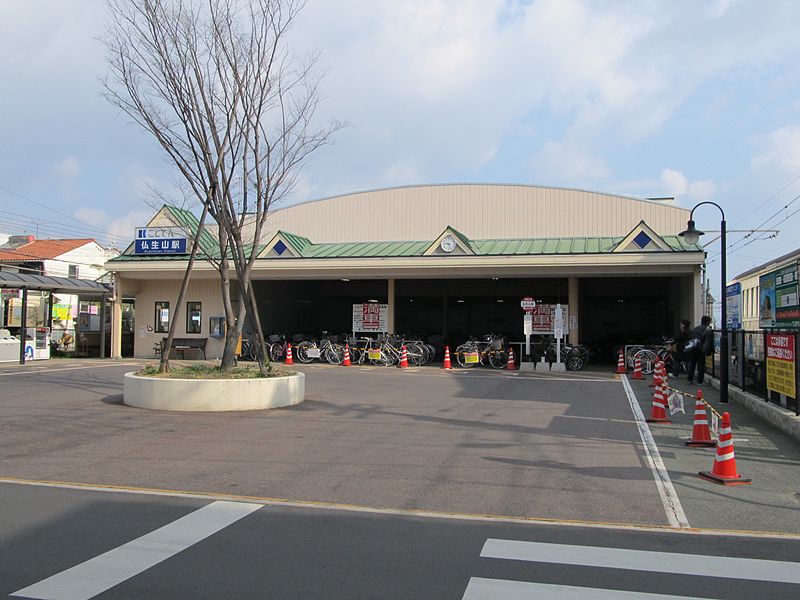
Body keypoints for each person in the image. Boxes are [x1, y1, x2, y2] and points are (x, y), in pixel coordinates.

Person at [686, 315, 713, 385]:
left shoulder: (695, 329)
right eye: (709, 322)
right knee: (701, 365)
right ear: (707, 322)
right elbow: (708, 341)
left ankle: (689, 379)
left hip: (693, 347)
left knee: (692, 364)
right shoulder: (707, 330)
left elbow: (690, 337)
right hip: (700, 349)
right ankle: (700, 381)